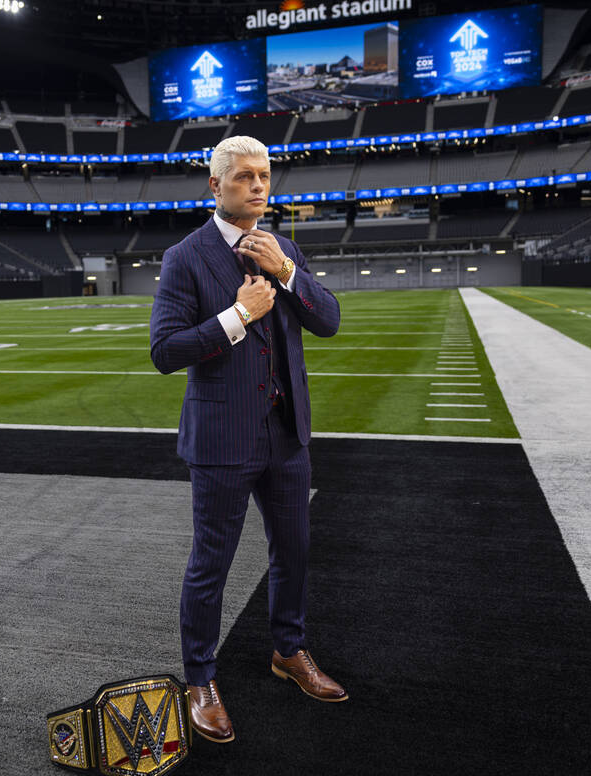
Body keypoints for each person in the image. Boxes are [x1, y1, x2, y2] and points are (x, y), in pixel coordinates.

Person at [149, 135, 345, 745]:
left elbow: (329, 320)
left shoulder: (284, 247)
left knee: (294, 553)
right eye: (244, 178)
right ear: (216, 185)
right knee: (212, 564)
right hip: (222, 438)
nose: (259, 186)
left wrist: (287, 274)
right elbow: (164, 351)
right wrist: (236, 318)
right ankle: (200, 679)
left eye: (265, 176)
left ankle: (289, 651)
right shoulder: (186, 257)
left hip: (287, 437)